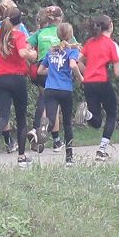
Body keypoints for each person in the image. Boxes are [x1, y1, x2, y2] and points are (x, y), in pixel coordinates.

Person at [0, 2, 37, 164]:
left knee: (4, 114)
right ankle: (21, 156)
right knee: (21, 117)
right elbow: (22, 53)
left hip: (0, 78)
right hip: (17, 78)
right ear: (19, 21)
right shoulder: (18, 35)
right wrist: (33, 54)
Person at [37, 22, 82, 163]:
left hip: (50, 89)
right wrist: (80, 77)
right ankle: (69, 158)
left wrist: (52, 71)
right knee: (67, 123)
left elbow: (40, 71)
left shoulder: (51, 51)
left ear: (57, 35)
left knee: (51, 119)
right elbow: (73, 65)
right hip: (65, 89)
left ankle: (42, 129)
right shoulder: (72, 51)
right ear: (71, 35)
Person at [79, 17, 119, 159]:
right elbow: (117, 72)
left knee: (96, 121)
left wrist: (87, 71)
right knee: (112, 114)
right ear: (111, 26)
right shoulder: (111, 44)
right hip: (102, 81)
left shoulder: (90, 42)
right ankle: (101, 151)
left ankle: (86, 114)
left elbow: (77, 59)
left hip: (88, 83)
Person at [28, 5, 64, 150]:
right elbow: (75, 48)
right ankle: (39, 130)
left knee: (44, 99)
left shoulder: (40, 32)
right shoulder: (62, 31)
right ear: (60, 18)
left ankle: (53, 139)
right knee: (53, 104)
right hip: (57, 69)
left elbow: (26, 47)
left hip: (41, 69)